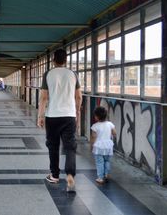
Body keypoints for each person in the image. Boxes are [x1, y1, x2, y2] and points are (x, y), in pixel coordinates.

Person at [37, 49, 82, 192]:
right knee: (70, 147)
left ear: (53, 60)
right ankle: (70, 174)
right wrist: (77, 112)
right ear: (66, 60)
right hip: (69, 116)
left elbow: (44, 97)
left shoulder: (48, 74)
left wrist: (40, 116)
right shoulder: (73, 74)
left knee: (53, 146)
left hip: (52, 116)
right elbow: (79, 97)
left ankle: (54, 175)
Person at [90, 106, 117, 184]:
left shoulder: (95, 126)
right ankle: (107, 174)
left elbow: (93, 137)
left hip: (99, 147)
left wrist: (92, 145)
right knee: (107, 161)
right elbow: (115, 133)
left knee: (99, 162)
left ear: (97, 117)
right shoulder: (110, 124)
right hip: (108, 146)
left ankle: (100, 178)